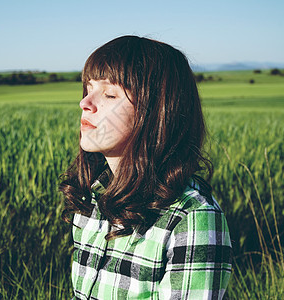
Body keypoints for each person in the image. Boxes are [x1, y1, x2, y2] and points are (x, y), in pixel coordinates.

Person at [59, 35, 232, 299]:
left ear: (156, 111)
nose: (85, 103)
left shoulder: (192, 218)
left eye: (109, 93)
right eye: (88, 88)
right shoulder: (93, 197)